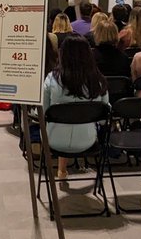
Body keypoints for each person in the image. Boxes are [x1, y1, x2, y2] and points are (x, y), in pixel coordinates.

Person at [43, 34, 109, 181]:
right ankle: (63, 170)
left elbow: (43, 114)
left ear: (63, 53)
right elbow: (105, 119)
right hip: (88, 140)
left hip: (54, 140)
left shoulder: (51, 79)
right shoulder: (98, 81)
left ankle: (62, 170)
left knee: (60, 124)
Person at [91, 15, 134, 80]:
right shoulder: (124, 58)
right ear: (115, 34)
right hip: (118, 90)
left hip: (96, 89)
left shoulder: (90, 57)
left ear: (97, 34)